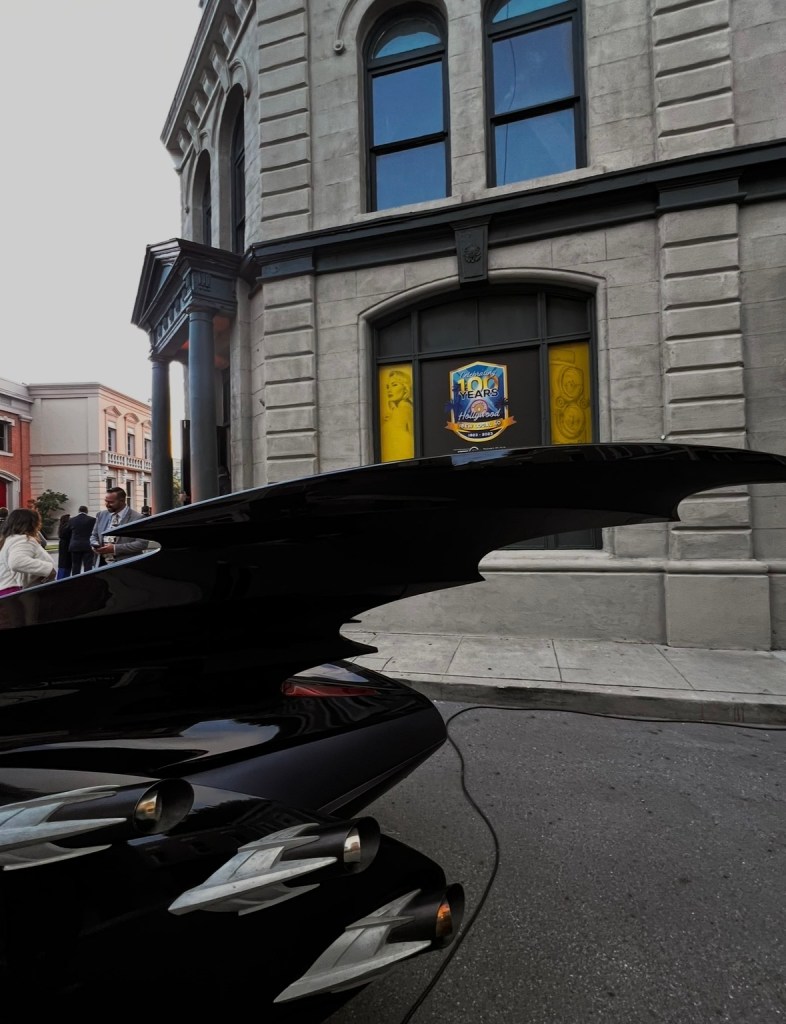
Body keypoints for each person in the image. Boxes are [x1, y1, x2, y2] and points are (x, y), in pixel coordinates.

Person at [0, 508, 56, 596]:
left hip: (8, 590)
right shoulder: (23, 539)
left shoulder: (9, 539)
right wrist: (48, 569)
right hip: (14, 592)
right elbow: (17, 562)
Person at [90, 487, 149, 566]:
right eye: (106, 501)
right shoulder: (101, 515)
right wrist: (95, 545)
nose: (107, 505)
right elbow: (94, 535)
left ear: (122, 501)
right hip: (101, 564)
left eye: (111, 502)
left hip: (126, 566)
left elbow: (142, 544)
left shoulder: (138, 518)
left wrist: (115, 548)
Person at [67, 504, 96, 574]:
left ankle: (76, 581)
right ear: (87, 511)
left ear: (79, 511)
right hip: (87, 545)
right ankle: (87, 580)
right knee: (88, 566)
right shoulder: (92, 520)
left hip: (75, 545)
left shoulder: (71, 520)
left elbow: (68, 531)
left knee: (75, 566)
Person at [56, 513, 72, 579]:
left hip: (63, 545)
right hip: (66, 545)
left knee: (63, 563)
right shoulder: (67, 527)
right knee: (66, 563)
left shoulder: (61, 526)